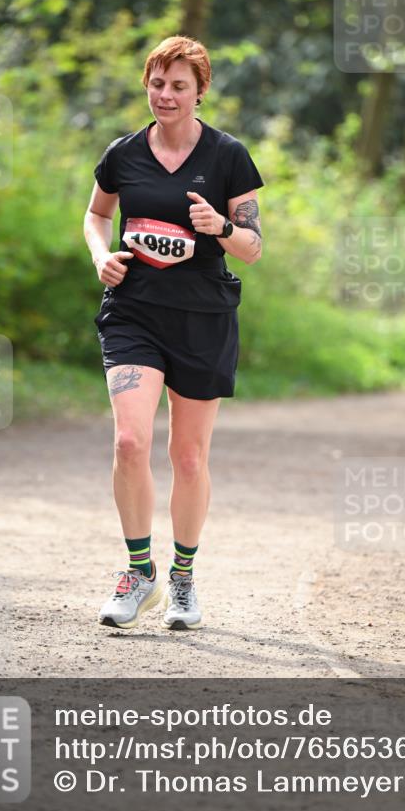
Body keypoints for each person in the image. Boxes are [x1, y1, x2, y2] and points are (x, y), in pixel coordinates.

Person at [83, 35, 264, 631]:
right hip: (133, 312)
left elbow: (254, 247)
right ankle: (141, 573)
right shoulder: (123, 154)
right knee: (129, 442)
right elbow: (97, 214)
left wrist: (220, 228)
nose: (166, 95)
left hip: (202, 319)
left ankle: (183, 579)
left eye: (179, 86)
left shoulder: (228, 156)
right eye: (157, 83)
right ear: (147, 84)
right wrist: (100, 256)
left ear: (200, 91)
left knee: (188, 458)